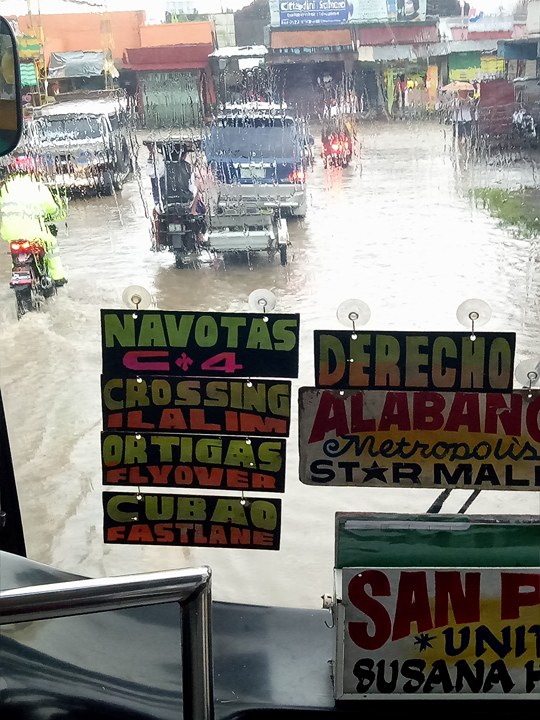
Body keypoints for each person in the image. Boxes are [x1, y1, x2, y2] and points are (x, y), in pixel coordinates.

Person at [0, 158, 68, 286]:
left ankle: (15, 274)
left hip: (10, 234)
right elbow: (53, 210)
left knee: (15, 253)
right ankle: (57, 277)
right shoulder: (38, 187)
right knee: (52, 243)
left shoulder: (5, 188)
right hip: (34, 233)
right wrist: (58, 214)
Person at [146, 144, 166, 208]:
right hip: (158, 178)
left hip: (159, 178)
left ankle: (158, 204)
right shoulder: (155, 156)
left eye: (150, 146)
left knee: (158, 195)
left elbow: (150, 172)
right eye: (148, 147)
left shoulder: (159, 156)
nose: (149, 148)